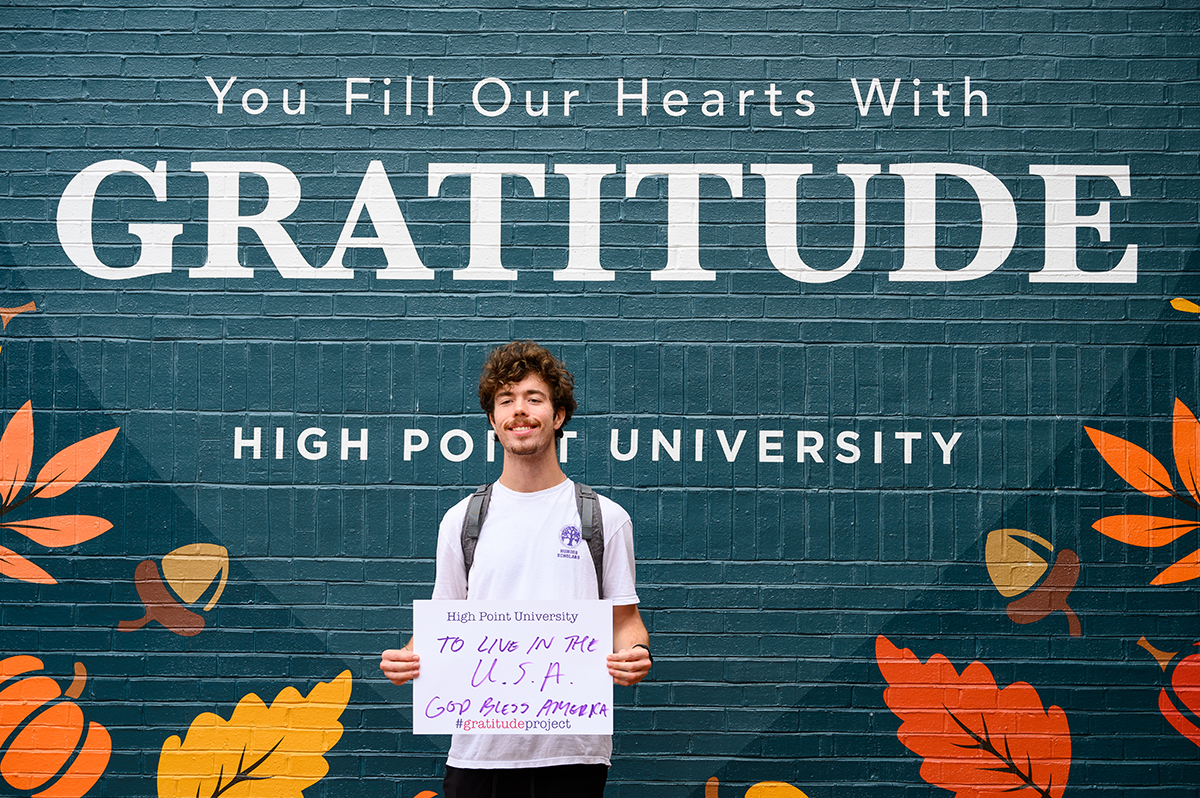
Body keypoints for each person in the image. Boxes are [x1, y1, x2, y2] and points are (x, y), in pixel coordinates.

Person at [380, 340, 651, 798]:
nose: (519, 411)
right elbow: (444, 622)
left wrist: (635, 653)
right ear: (493, 420)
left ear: (558, 415)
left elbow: (624, 622)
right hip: (481, 748)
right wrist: (406, 657)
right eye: (506, 401)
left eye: (533, 398)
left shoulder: (604, 517)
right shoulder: (463, 519)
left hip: (572, 750)